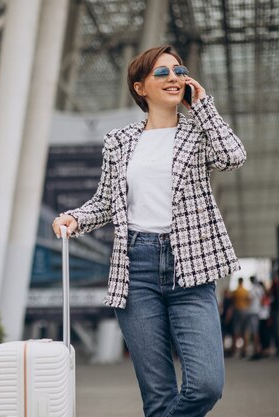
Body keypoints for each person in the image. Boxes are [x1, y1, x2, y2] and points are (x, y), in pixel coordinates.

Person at [52, 45, 246, 417]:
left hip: (190, 268)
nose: (174, 78)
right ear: (140, 87)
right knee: (157, 397)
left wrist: (203, 106)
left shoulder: (198, 135)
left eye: (179, 71)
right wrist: (74, 217)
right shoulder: (119, 141)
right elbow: (106, 202)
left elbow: (232, 156)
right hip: (135, 269)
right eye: (162, 73)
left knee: (206, 385)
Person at [231, 277, 250, 357]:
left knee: (236, 330)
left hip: (237, 311)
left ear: (238, 282)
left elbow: (232, 301)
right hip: (245, 311)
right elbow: (249, 301)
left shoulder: (235, 291)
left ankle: (234, 349)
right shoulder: (246, 291)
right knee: (244, 331)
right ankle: (244, 350)